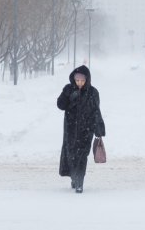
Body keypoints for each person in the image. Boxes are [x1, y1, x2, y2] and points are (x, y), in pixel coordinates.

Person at [56, 65, 105, 194]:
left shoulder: (93, 92)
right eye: (77, 80)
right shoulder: (68, 89)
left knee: (82, 156)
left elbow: (96, 111)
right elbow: (60, 105)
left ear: (87, 80)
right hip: (71, 129)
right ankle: (74, 177)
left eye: (82, 81)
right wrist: (69, 97)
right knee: (71, 156)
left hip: (85, 130)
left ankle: (79, 182)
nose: (79, 83)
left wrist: (98, 130)